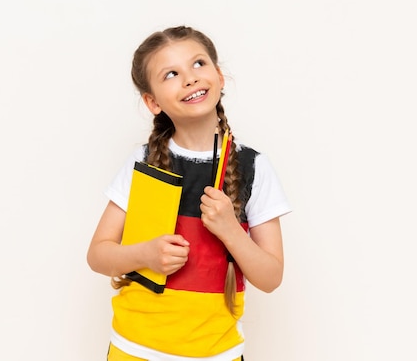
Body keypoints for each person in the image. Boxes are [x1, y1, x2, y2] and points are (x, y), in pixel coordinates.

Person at [87, 25, 291, 360]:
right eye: (171, 73)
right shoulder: (142, 162)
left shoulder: (255, 167)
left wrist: (230, 231)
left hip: (217, 353)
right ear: (152, 102)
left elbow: (270, 278)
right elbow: (98, 255)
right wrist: (145, 255)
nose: (190, 78)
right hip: (133, 349)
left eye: (198, 64)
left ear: (219, 77)